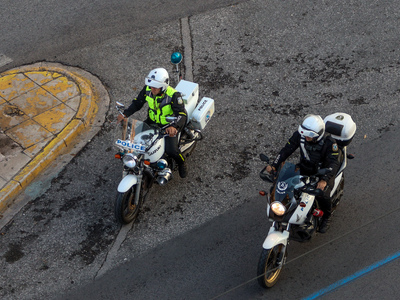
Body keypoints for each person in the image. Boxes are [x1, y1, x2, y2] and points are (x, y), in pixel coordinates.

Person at [265, 114, 341, 233]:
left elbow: (333, 164)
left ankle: (327, 216)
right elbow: (287, 150)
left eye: (309, 136)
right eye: (304, 134)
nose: (306, 137)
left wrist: (324, 179)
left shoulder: (330, 143)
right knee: (284, 184)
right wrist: (274, 165)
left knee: (322, 194)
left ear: (318, 134)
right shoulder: (300, 136)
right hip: (304, 168)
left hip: (322, 172)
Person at [117, 67, 188, 178]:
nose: (152, 89)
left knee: (171, 150)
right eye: (151, 86)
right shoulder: (148, 89)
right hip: (152, 122)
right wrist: (125, 114)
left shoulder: (174, 95)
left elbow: (182, 114)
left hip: (168, 125)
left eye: (155, 87)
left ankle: (181, 163)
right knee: (134, 139)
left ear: (163, 86)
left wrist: (174, 126)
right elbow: (138, 103)